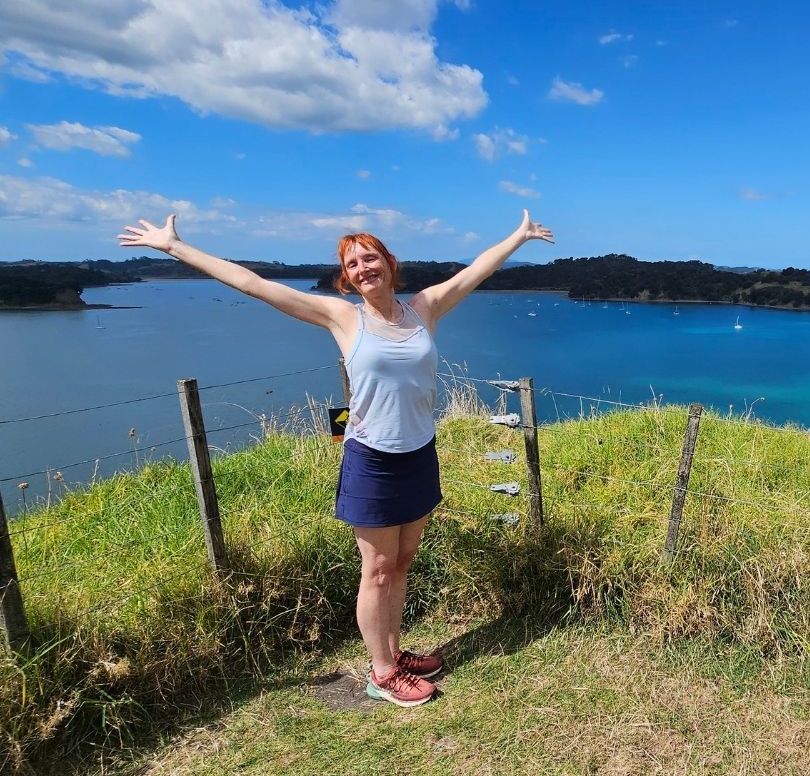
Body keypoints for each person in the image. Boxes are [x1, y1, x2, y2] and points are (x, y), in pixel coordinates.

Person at [117, 210, 554, 707]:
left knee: (403, 560)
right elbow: (254, 283)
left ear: (390, 263)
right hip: (371, 457)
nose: (364, 267)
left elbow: (476, 271)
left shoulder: (424, 309)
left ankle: (393, 650)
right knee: (378, 568)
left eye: (371, 257)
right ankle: (383, 672)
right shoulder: (343, 317)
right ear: (347, 278)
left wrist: (517, 236)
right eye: (353, 264)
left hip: (419, 452)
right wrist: (176, 247)